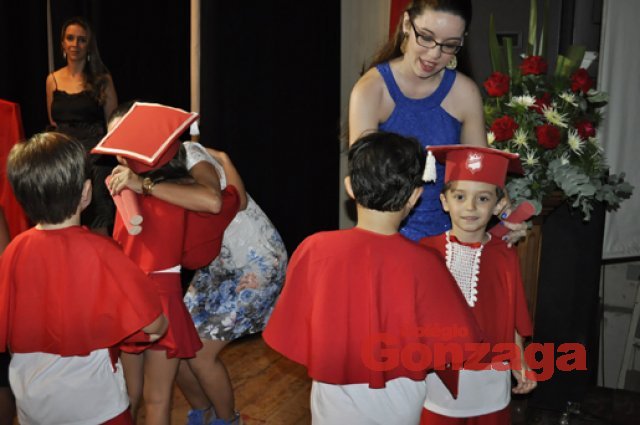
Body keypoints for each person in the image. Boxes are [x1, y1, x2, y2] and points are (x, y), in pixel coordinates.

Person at [263, 131, 482, 425]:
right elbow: (454, 341)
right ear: (415, 196)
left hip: (334, 396)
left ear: (350, 188)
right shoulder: (426, 262)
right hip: (400, 399)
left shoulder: (315, 249)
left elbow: (292, 324)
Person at [0, 132, 167, 425]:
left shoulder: (13, 251)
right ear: (86, 192)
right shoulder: (102, 251)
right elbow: (155, 325)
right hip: (96, 404)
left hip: (33, 405)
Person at [96, 102, 245, 425]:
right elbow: (229, 200)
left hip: (138, 296)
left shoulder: (143, 188)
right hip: (150, 297)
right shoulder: (145, 188)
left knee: (138, 396)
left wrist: (144, 186)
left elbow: (219, 201)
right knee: (148, 398)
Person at [348, 0, 527, 244]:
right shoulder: (371, 90)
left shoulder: (464, 92)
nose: (434, 54)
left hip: (451, 242)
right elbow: (365, 186)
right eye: (426, 37)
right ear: (407, 24)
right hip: (387, 241)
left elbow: (481, 177)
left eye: (449, 45)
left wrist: (505, 213)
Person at [419, 145, 537, 424]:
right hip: (438, 376)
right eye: (460, 196)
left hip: (490, 378)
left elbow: (512, 314)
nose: (470, 207)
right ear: (445, 201)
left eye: (482, 198)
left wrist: (519, 361)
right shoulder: (426, 252)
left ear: (497, 206)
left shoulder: (504, 254)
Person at [177, 142, 288, 425]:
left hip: (255, 262)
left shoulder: (188, 155)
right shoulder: (142, 175)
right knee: (177, 346)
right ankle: (202, 413)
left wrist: (225, 159)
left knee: (200, 354)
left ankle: (227, 420)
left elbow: (229, 200)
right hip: (217, 263)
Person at [46, 16, 118, 235]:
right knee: (63, 224)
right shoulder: (52, 80)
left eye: (81, 39)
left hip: (95, 162)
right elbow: (53, 122)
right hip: (64, 163)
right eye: (70, 38)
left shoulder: (102, 79)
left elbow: (114, 124)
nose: (75, 44)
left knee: (98, 227)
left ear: (89, 45)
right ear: (62, 43)